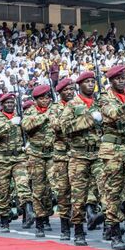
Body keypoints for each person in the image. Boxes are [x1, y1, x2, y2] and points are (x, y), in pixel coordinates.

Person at [98, 65, 125, 250]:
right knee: (114, 192)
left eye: (123, 77)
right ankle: (115, 232)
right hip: (113, 149)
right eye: (117, 78)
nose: (121, 81)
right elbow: (114, 113)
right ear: (111, 81)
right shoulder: (104, 98)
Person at [59, 71, 104, 246]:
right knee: (78, 195)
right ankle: (78, 229)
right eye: (87, 82)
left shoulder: (100, 102)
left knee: (106, 188)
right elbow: (65, 127)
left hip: (99, 153)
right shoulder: (72, 105)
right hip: (78, 155)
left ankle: (110, 225)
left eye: (93, 81)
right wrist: (90, 119)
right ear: (80, 85)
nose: (91, 85)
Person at [0, 93, 32, 233]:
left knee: (23, 183)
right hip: (2, 159)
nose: (10, 105)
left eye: (12, 103)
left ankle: (29, 211)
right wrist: (9, 124)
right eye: (7, 103)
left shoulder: (20, 117)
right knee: (3, 191)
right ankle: (4, 219)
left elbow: (30, 133)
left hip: (19, 157)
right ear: (2, 105)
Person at [22, 85, 55, 237]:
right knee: (39, 190)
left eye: (47, 97)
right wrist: (45, 116)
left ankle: (52, 216)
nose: (45, 100)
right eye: (42, 98)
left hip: (53, 154)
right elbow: (26, 126)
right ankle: (40, 221)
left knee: (56, 186)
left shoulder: (55, 109)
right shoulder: (30, 112)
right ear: (36, 100)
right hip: (36, 155)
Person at [50, 77, 75, 240]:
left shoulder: (79, 104)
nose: (70, 92)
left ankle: (79, 222)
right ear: (60, 93)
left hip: (78, 152)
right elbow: (57, 126)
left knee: (79, 191)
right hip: (61, 155)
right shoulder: (55, 108)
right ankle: (65, 227)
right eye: (66, 90)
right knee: (63, 191)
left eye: (71, 89)